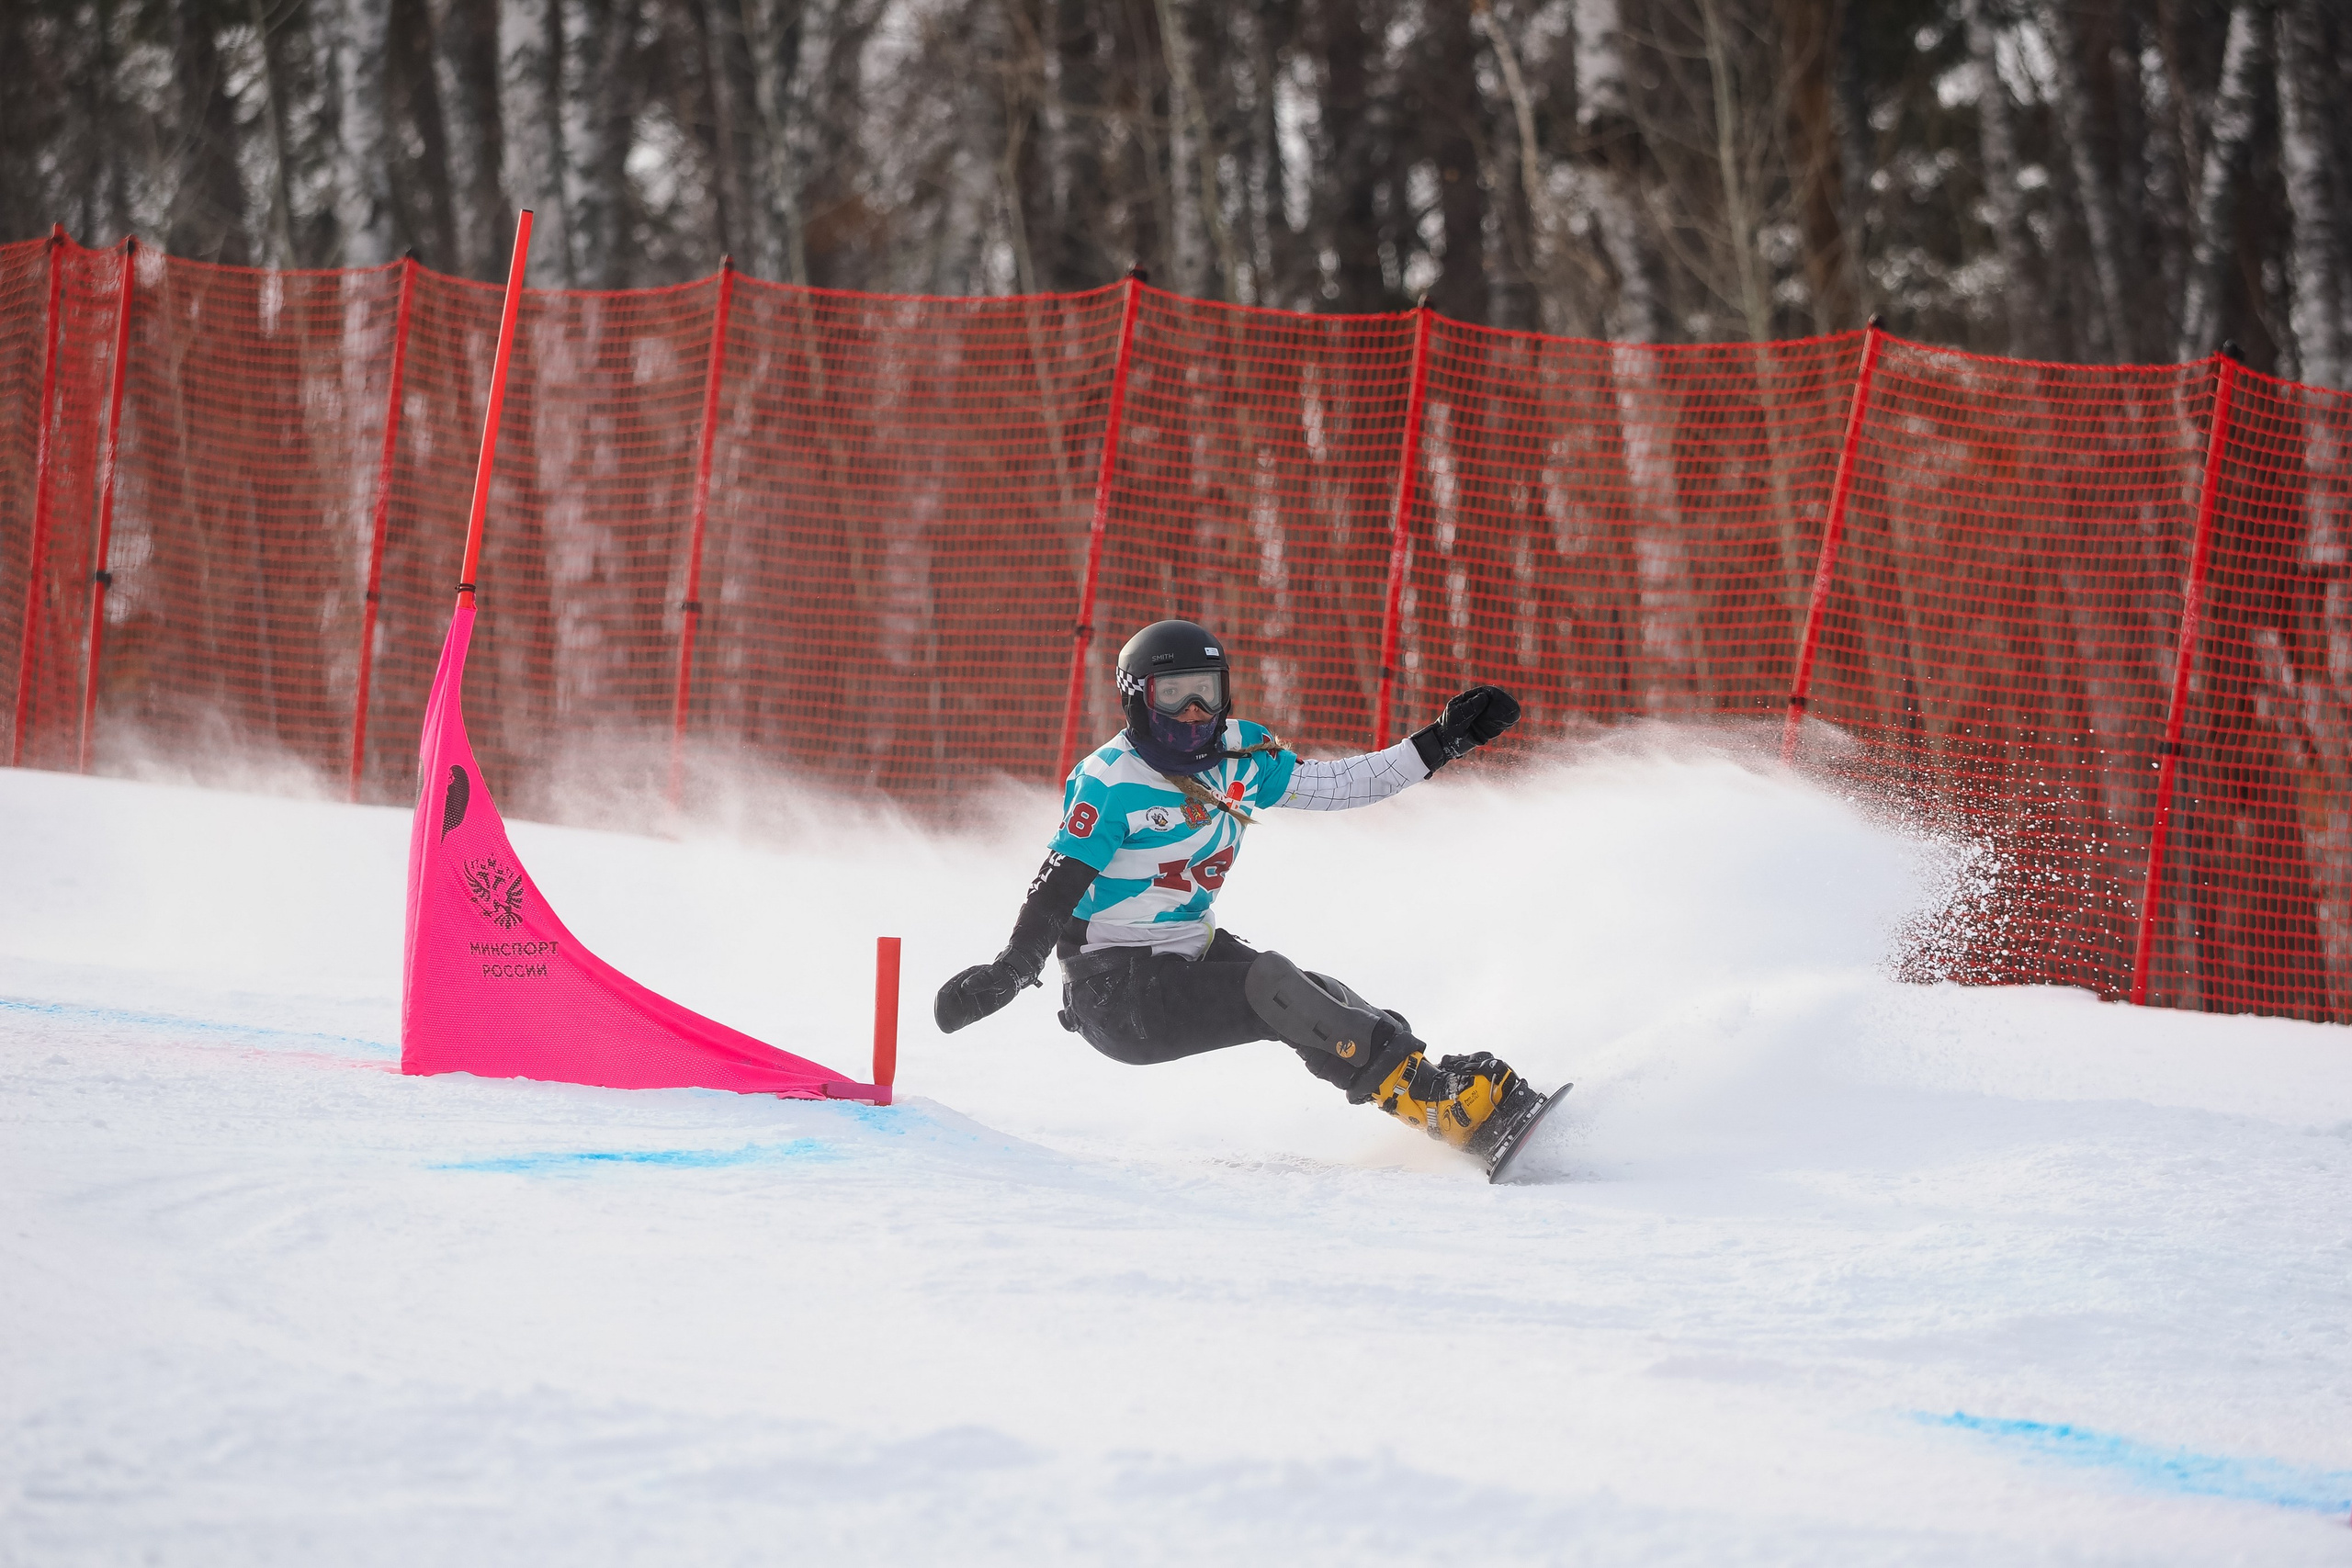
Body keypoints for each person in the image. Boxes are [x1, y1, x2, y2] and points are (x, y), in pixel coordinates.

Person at [934, 618, 1548, 1167]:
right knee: (1273, 985)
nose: (1197, 710)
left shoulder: (1241, 754)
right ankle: (1437, 1105)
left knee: (1314, 993)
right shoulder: (1112, 780)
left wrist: (1440, 742)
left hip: (1185, 951)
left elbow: (1338, 785)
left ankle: (1429, 1088)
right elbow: (1055, 887)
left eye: (1209, 689)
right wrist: (1012, 969)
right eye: (1174, 694)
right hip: (1116, 994)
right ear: (1138, 700)